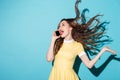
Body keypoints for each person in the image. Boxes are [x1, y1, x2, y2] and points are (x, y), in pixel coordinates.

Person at [46, 0, 117, 80]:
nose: (60, 28)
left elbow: (89, 65)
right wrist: (53, 40)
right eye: (59, 26)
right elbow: (49, 59)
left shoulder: (77, 46)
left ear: (70, 28)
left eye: (63, 25)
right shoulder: (58, 43)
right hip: (55, 76)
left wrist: (103, 50)